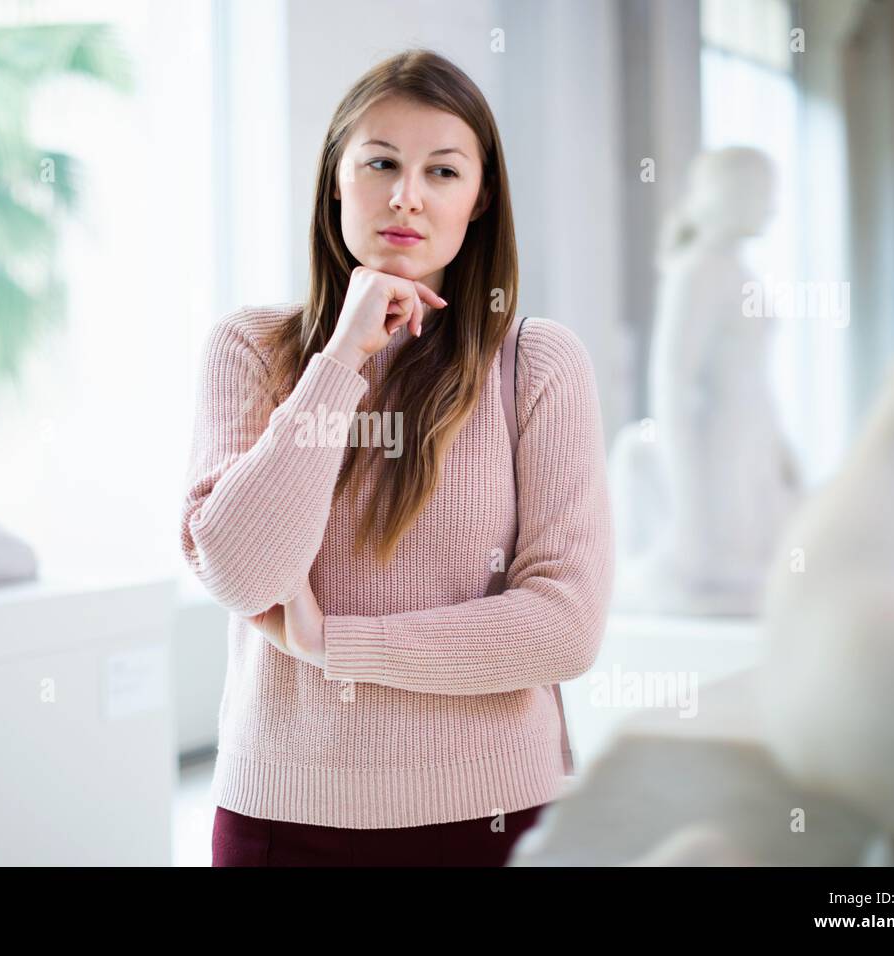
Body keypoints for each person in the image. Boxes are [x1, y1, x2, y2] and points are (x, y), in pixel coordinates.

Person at [180, 48, 614, 866]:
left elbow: (565, 628)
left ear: (480, 200)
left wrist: (336, 644)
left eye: (442, 172)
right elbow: (240, 575)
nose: (406, 196)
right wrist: (341, 357)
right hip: (281, 817)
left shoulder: (539, 365)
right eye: (379, 162)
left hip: (494, 817)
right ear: (335, 182)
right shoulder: (251, 349)